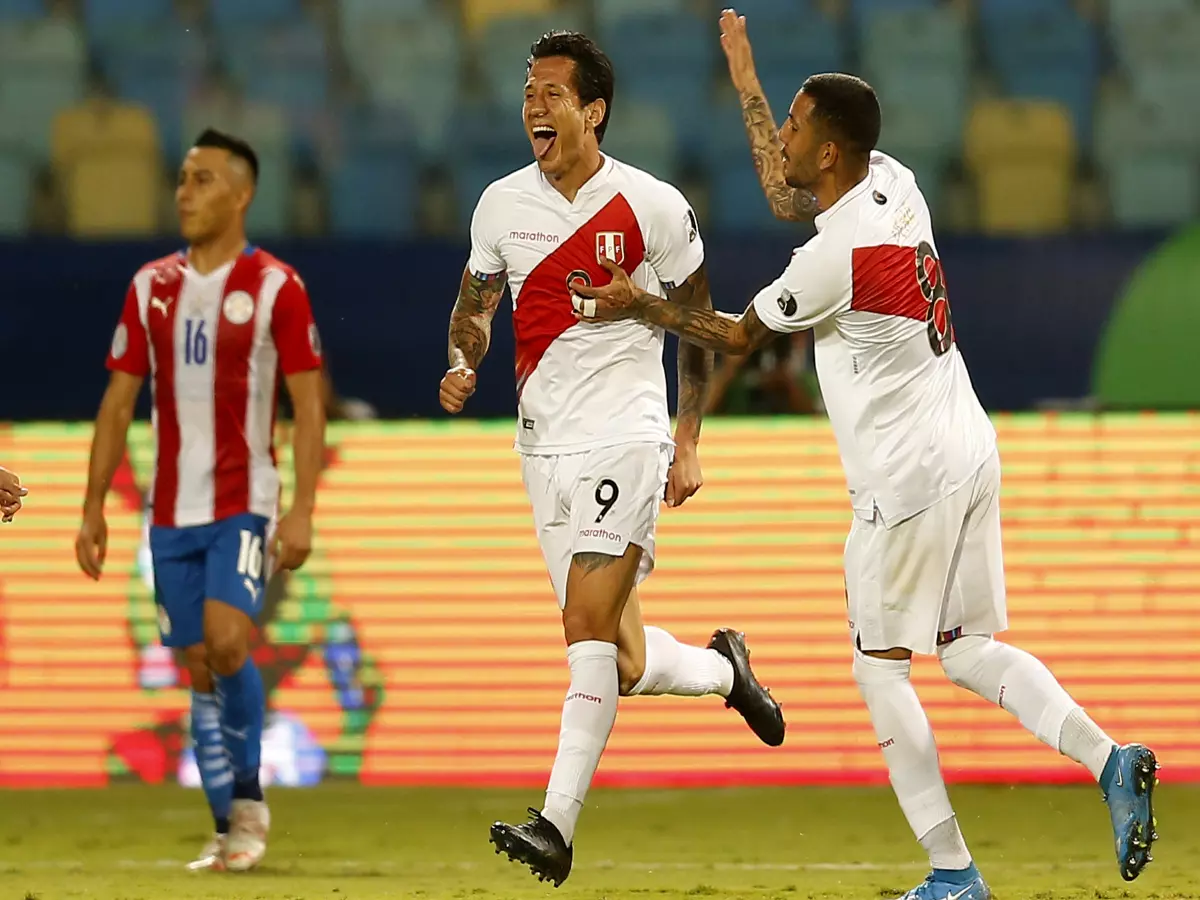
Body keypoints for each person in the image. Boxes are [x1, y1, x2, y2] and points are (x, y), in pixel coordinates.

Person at [571, 53, 1159, 900]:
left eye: (795, 126)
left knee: (879, 671)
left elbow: (734, 336)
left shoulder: (833, 260)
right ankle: (1110, 762)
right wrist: (748, 82)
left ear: (830, 153)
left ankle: (953, 874)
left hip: (908, 481)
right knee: (968, 651)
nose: (784, 137)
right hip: (969, 447)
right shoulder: (894, 181)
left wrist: (639, 303)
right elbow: (790, 195)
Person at [439, 30, 785, 887]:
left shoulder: (653, 206)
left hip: (627, 436)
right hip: (542, 446)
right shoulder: (499, 206)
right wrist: (464, 359)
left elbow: (706, 327)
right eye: (529, 92)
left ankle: (556, 824)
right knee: (620, 661)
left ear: (593, 111)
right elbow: (475, 304)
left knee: (585, 627)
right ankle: (725, 670)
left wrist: (688, 437)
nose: (533, 105)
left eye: (552, 93)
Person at [75, 128, 327, 873]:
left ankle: (249, 804)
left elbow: (309, 403)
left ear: (242, 195)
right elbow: (117, 402)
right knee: (196, 663)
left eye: (203, 179)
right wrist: (92, 507)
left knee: (226, 641)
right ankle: (225, 829)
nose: (185, 192)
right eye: (183, 179)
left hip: (244, 501)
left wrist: (301, 508)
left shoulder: (276, 286)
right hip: (168, 511)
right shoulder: (150, 286)